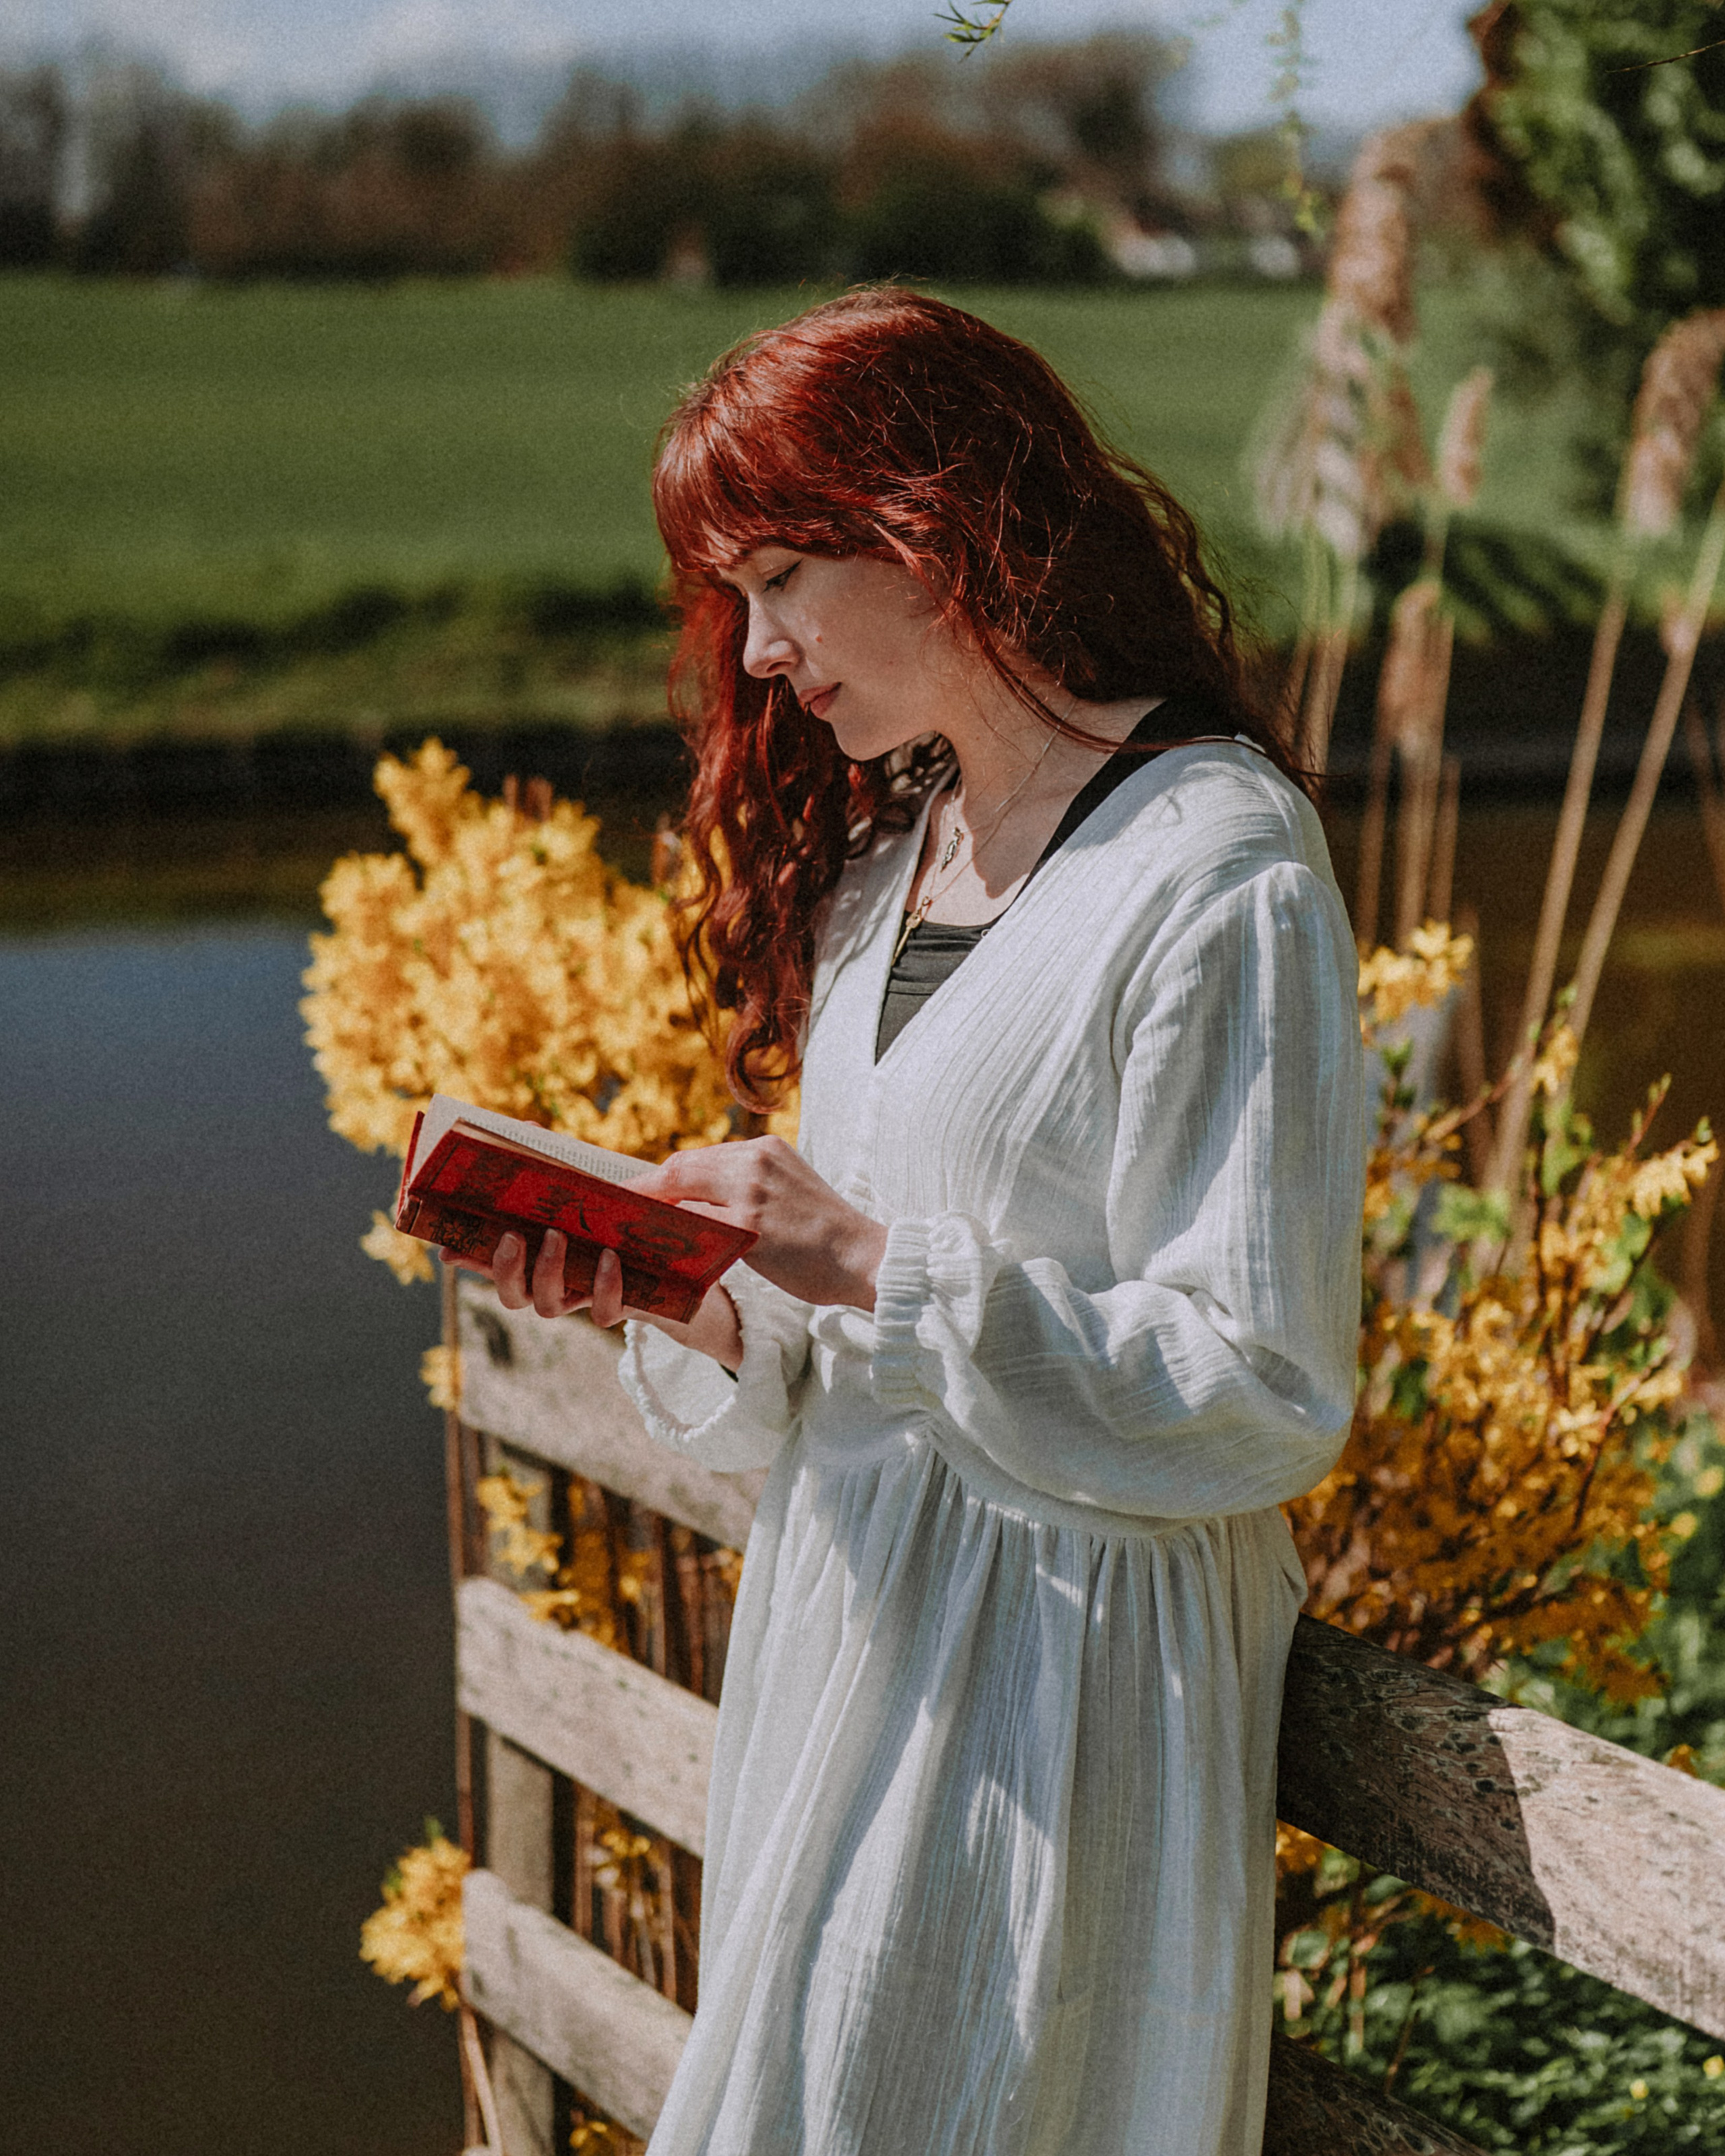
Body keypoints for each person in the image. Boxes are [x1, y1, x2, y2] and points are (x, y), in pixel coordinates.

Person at [479, 288, 1365, 2156]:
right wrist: (693, 1300)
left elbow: (1268, 1384)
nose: (765, 648)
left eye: (788, 573)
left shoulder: (1213, 865)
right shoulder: (892, 871)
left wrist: (870, 1258)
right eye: (735, 596)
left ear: (941, 518)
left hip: (1052, 1707)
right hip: (849, 1662)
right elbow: (851, 1350)